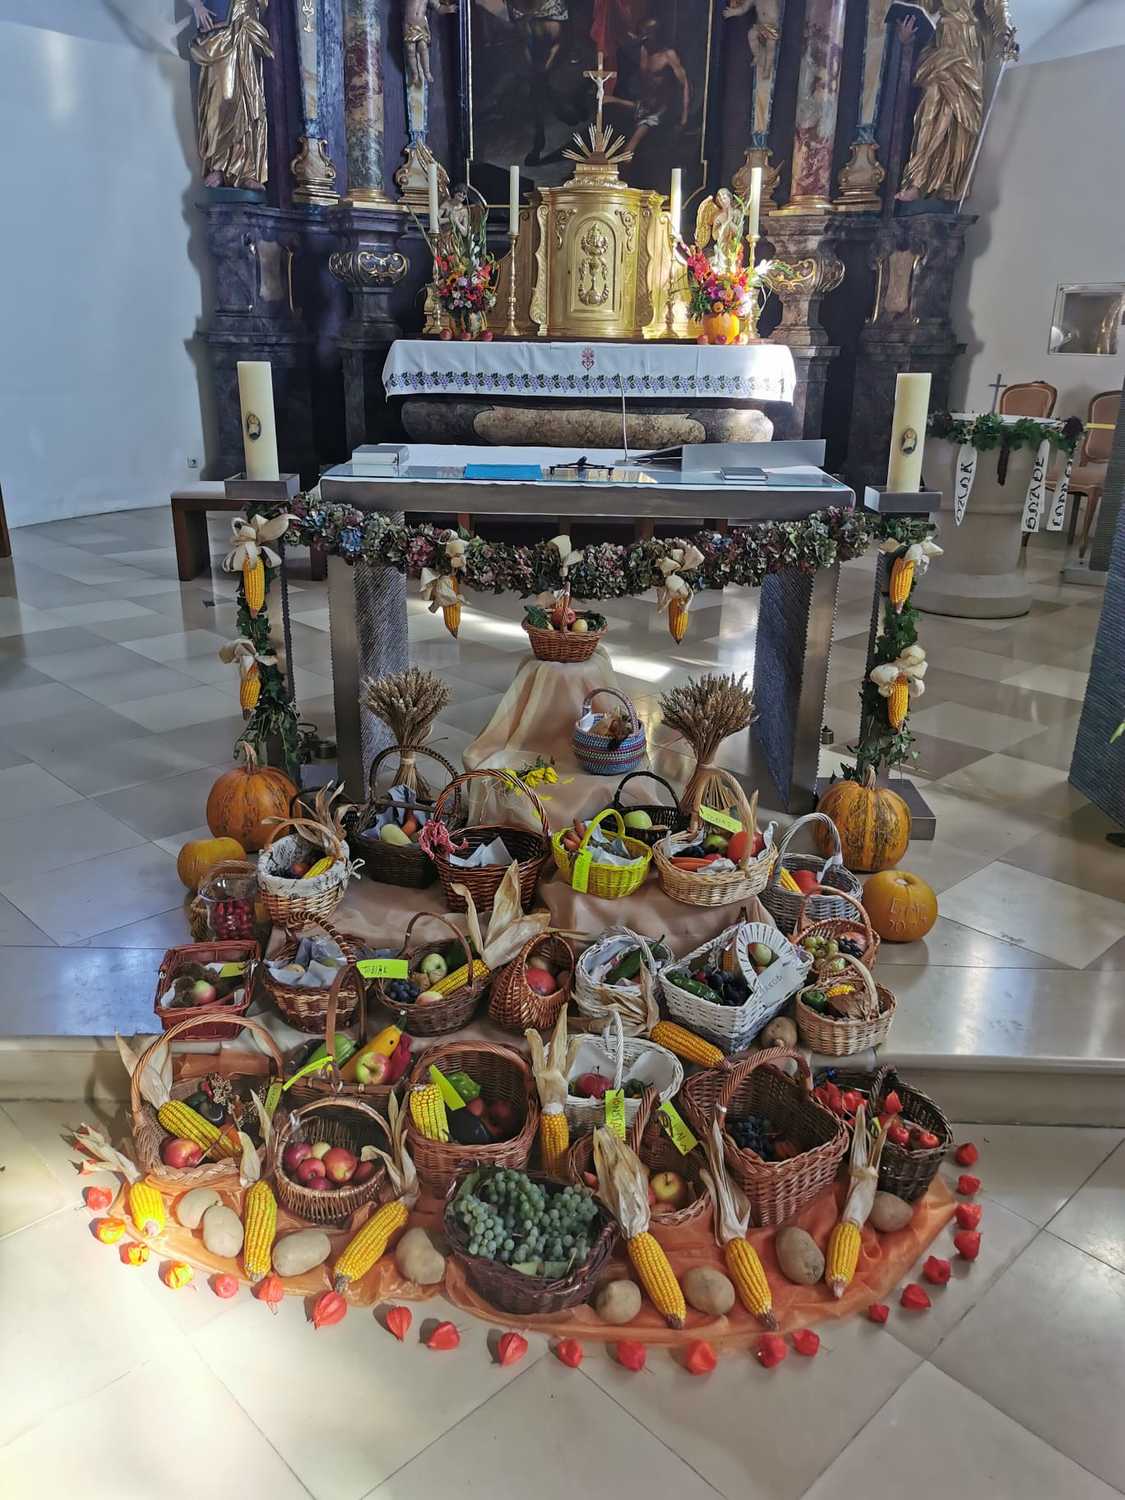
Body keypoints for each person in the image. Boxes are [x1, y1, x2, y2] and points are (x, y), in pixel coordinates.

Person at [190, 0, 274, 190]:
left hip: (246, 26)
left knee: (248, 99)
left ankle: (246, 171)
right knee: (222, 98)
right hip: (221, 32)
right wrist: (197, 6)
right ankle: (219, 166)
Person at [604, 17, 690, 156]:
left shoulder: (668, 55)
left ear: (656, 34)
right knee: (608, 103)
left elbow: (684, 84)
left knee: (629, 149)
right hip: (644, 105)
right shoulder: (644, 50)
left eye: (648, 33)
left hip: (661, 109)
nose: (644, 37)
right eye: (643, 33)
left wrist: (684, 117)